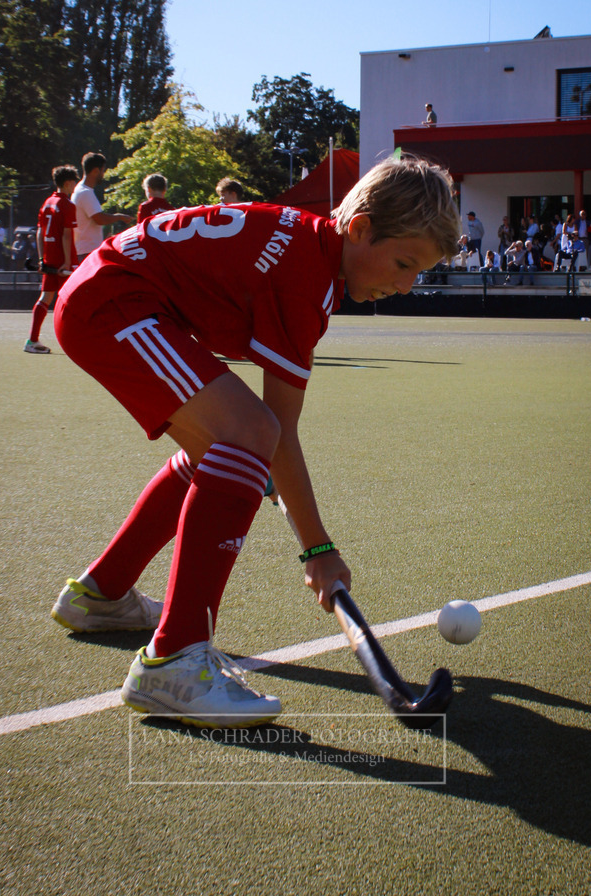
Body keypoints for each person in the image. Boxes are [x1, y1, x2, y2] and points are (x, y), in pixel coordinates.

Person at [50, 154, 460, 727]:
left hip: (112, 293)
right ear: (360, 227)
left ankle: (101, 594)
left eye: (419, 273)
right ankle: (173, 660)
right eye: (403, 263)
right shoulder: (304, 277)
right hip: (112, 303)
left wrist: (259, 467)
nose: (406, 284)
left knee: (226, 451)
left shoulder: (305, 248)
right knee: (248, 435)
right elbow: (279, 431)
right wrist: (319, 551)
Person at [24, 165, 80, 354]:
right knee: (73, 300)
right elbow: (66, 235)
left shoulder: (47, 203)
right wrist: (66, 261)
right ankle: (76, 343)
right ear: (67, 183)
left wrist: (42, 258)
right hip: (64, 260)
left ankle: (32, 341)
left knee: (45, 298)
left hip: (49, 258)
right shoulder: (67, 205)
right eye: (74, 181)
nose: (76, 185)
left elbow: (40, 232)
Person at [72, 152, 134, 262]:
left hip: (83, 250)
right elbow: (100, 219)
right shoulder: (85, 192)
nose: (103, 174)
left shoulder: (80, 189)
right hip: (87, 252)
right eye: (102, 170)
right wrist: (119, 217)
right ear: (96, 171)